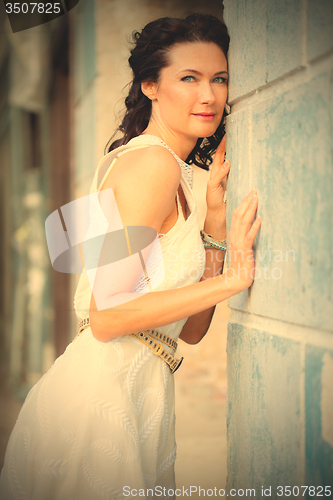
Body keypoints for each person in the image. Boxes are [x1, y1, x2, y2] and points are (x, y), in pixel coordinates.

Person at [0, 13, 261, 500]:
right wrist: (231, 280)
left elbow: (192, 329)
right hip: (98, 404)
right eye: (189, 78)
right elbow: (107, 316)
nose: (209, 95)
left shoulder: (172, 173)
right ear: (150, 86)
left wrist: (214, 225)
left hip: (139, 394)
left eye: (219, 79)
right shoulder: (149, 164)